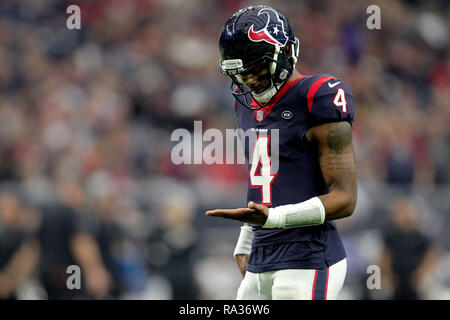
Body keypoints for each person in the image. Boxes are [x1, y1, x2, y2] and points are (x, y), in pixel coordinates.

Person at [206, 5, 357, 300]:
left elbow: (345, 200)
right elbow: (267, 180)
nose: (249, 81)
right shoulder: (245, 104)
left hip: (307, 257)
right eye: (241, 73)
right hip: (262, 256)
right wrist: (247, 238)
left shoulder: (318, 95)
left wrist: (272, 219)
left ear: (285, 53)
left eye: (257, 70)